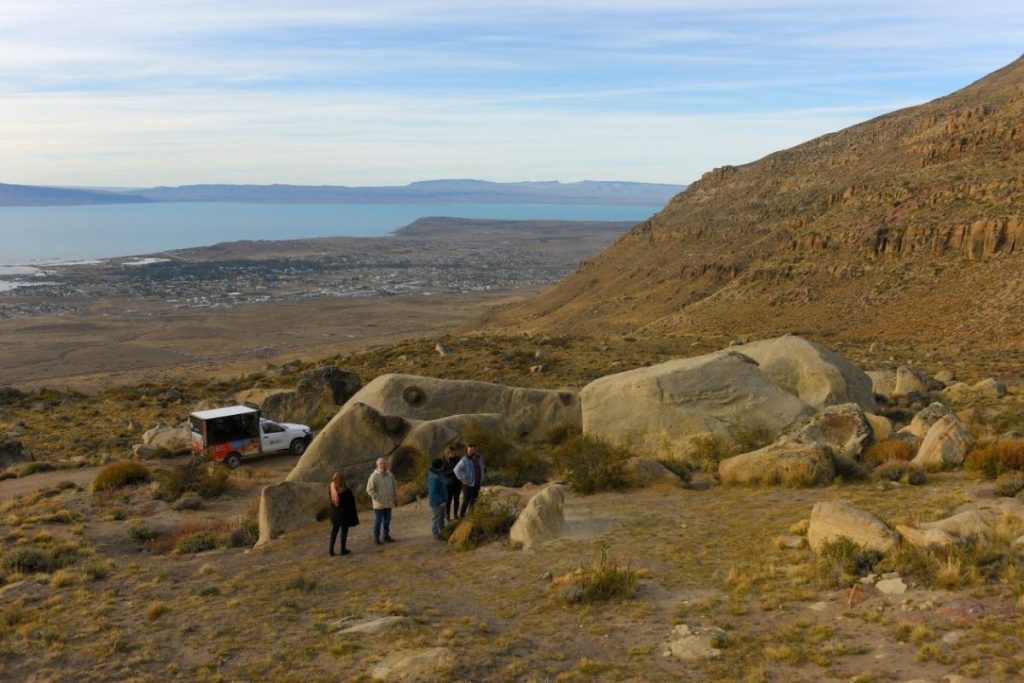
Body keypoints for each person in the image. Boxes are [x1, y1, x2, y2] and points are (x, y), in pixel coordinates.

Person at [366, 457, 398, 545]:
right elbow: (369, 489)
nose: (382, 465)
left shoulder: (390, 475)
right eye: (380, 464)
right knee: (378, 520)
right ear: (377, 465)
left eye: (384, 463)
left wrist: (395, 497)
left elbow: (394, 486)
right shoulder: (374, 476)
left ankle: (386, 536)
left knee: (387, 520)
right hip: (379, 504)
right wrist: (377, 497)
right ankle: (376, 537)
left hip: (388, 502)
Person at [328, 472, 359, 556]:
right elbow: (349, 503)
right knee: (344, 532)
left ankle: (331, 550)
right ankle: (343, 549)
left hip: (334, 513)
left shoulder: (331, 488)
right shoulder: (346, 490)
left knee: (334, 532)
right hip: (343, 514)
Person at [454, 443, 484, 518]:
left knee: (474, 500)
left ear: (475, 450)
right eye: (470, 450)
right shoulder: (464, 460)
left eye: (473, 450)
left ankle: (471, 515)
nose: (471, 452)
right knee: (466, 501)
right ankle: (462, 516)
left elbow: (481, 468)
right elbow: (456, 470)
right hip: (468, 484)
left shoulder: (478, 458)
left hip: (476, 483)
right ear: (467, 450)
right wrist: (463, 478)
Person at [427, 458, 447, 540]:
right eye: (442, 465)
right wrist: (440, 501)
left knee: (442, 517)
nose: (443, 466)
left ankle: (443, 532)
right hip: (437, 501)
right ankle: (435, 533)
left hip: (442, 500)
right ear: (439, 466)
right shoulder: (434, 477)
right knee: (436, 518)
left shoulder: (439, 474)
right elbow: (433, 492)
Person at [442, 444, 463, 520]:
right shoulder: (444, 460)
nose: (452, 454)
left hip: (457, 483)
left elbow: (461, 469)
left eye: (453, 453)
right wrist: (452, 472)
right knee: (448, 500)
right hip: (448, 484)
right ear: (447, 453)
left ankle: (455, 514)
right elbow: (443, 473)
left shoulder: (458, 459)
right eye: (451, 453)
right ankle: (447, 515)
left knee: (456, 500)